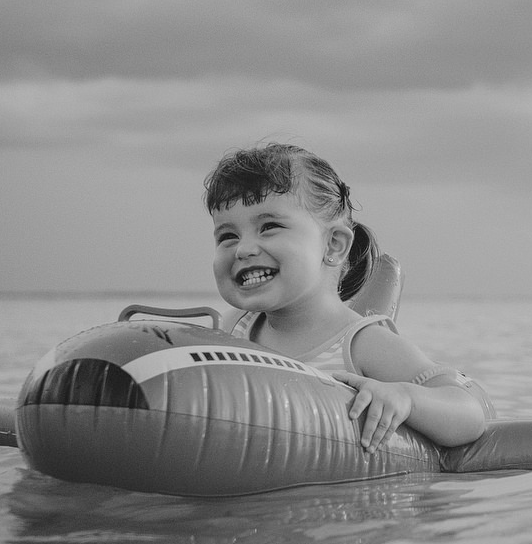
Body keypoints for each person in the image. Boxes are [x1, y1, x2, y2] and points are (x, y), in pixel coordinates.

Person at [204, 143, 491, 452]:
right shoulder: (232, 330)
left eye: (269, 227)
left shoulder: (363, 344)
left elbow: (469, 414)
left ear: (334, 246)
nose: (243, 249)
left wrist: (405, 397)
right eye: (227, 236)